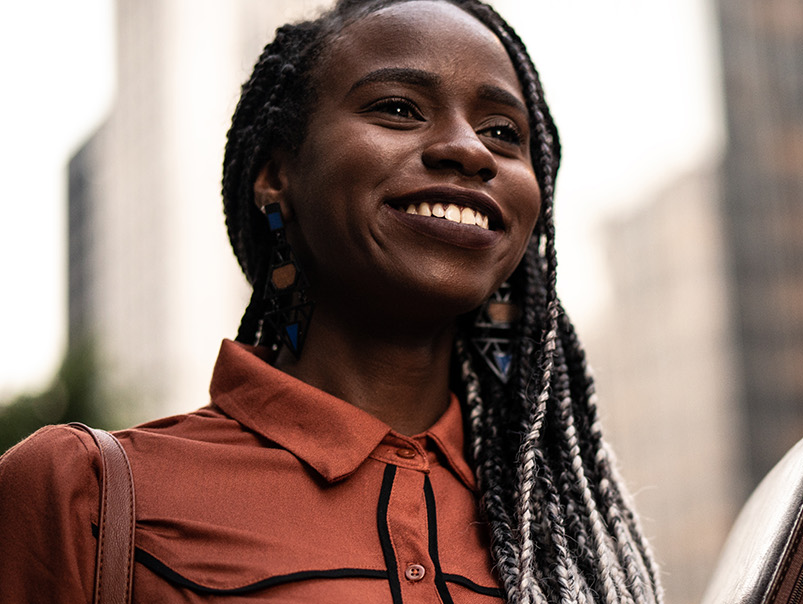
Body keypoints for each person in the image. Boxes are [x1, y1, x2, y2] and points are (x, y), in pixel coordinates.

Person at [0, 1, 664, 602]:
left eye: (502, 132)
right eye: (398, 108)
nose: (468, 149)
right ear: (276, 174)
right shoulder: (84, 495)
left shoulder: (573, 541)